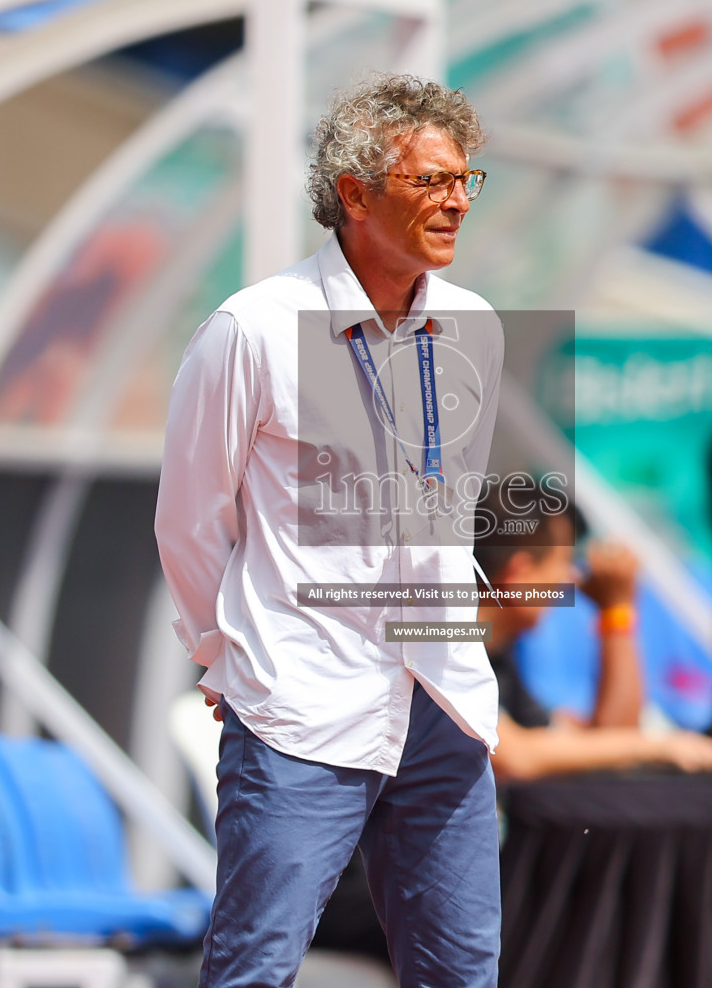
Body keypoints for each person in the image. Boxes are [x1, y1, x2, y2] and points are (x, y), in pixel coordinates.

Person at [155, 74, 505, 988]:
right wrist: (223, 653)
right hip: (302, 698)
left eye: (466, 179)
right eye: (432, 180)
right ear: (355, 193)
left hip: (442, 694)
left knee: (463, 971)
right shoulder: (252, 329)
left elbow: (446, 515)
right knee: (255, 968)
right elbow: (190, 521)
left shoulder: (474, 326)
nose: (457, 200)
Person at [471, 484, 712, 780]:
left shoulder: (497, 657)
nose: (571, 578)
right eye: (563, 562)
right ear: (520, 575)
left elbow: (604, 740)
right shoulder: (446, 642)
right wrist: (661, 747)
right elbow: (513, 756)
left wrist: (616, 611)